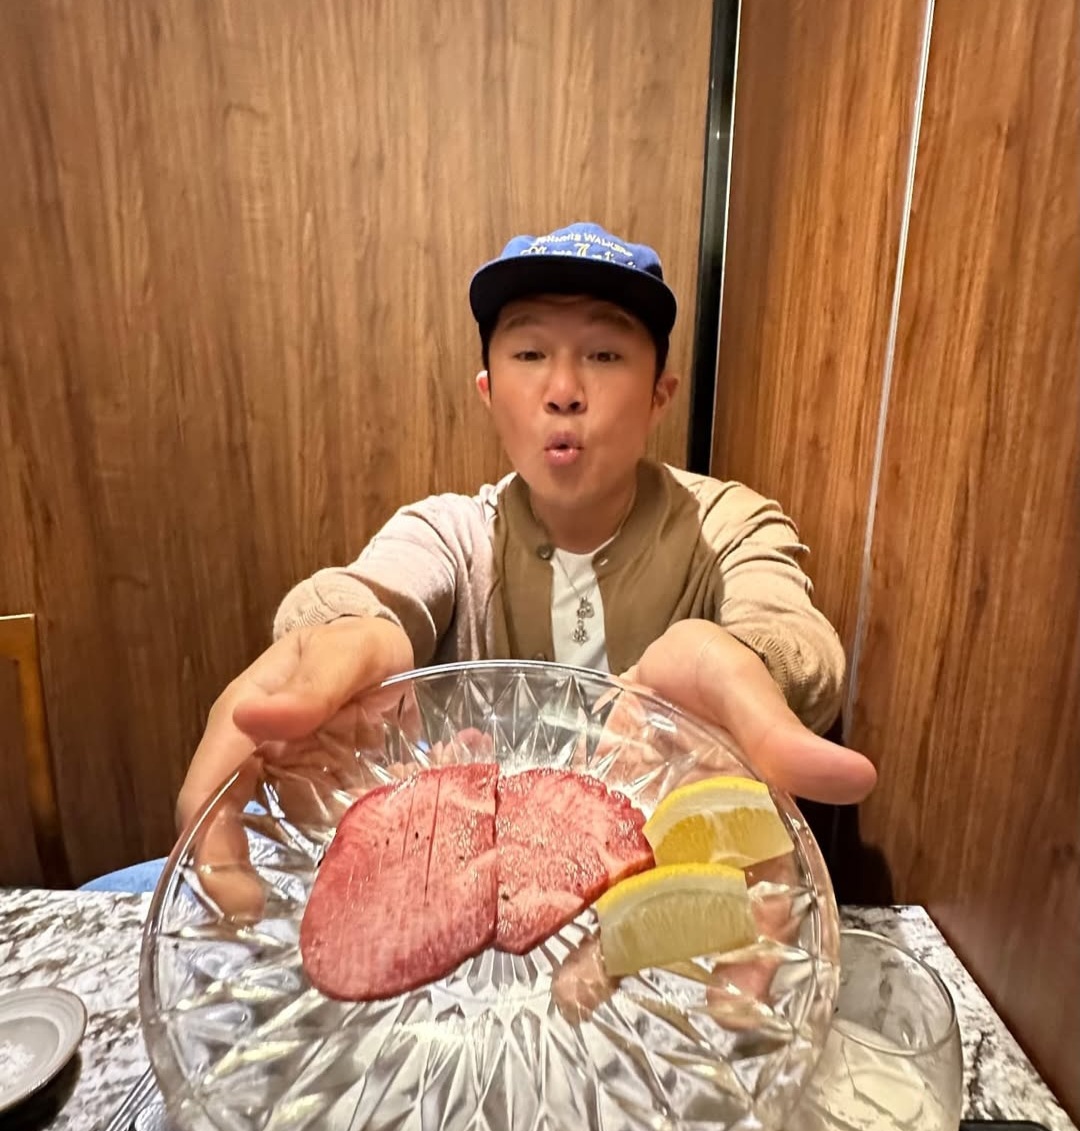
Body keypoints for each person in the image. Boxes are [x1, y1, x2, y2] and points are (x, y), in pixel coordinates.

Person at [83, 221, 875, 893]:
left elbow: (797, 641)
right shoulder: (456, 531)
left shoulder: (723, 522)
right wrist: (340, 637)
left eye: (604, 355)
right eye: (529, 354)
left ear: (659, 394)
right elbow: (365, 593)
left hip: (665, 897)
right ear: (489, 391)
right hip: (468, 898)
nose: (563, 389)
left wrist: (740, 666)